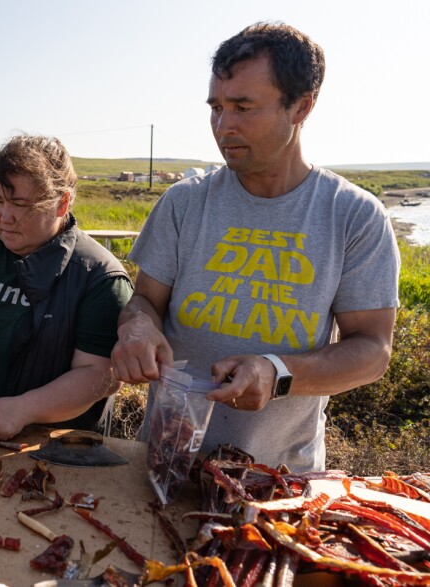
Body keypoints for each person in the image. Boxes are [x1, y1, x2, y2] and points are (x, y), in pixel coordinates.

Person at [111, 22, 400, 472]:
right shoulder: (184, 202)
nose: (224, 127)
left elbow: (372, 350)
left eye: (244, 107)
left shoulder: (353, 215)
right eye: (216, 108)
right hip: (167, 462)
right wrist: (136, 328)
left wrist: (278, 372)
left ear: (301, 106)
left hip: (280, 480)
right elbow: (145, 300)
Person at [0, 134, 134, 441]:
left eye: (19, 204)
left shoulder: (99, 277)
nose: (4, 217)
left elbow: (100, 375)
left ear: (62, 203)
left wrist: (24, 410)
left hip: (47, 456)